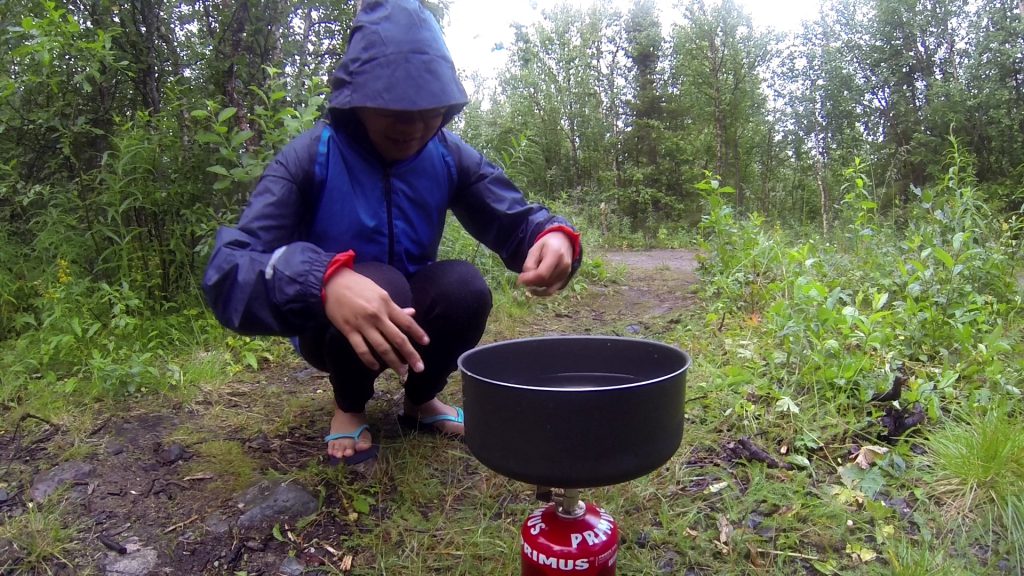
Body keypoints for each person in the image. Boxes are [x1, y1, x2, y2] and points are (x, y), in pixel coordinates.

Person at [201, 0, 582, 468]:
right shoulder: (310, 156)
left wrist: (552, 236)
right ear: (357, 99)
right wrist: (324, 281)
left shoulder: (445, 154)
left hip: (412, 313)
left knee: (464, 287)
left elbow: (515, 219)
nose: (415, 127)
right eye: (396, 110)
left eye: (430, 111)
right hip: (328, 327)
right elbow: (230, 269)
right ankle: (349, 405)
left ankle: (421, 401)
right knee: (381, 281)